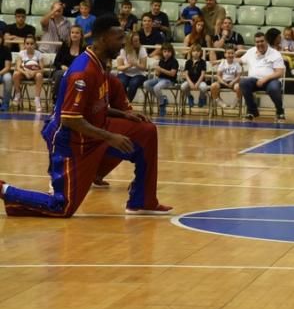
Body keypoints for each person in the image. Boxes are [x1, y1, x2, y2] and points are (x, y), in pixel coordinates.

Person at [0, 16, 172, 217]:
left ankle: (142, 201)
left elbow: (94, 108)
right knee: (62, 207)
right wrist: (110, 137)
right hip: (71, 142)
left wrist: (124, 114)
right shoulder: (82, 72)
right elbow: (70, 119)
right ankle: (5, 189)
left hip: (94, 131)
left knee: (146, 131)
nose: (122, 43)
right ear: (102, 39)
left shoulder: (99, 65)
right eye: (118, 38)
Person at [240, 31, 286, 121]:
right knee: (243, 83)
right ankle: (252, 111)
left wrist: (265, 79)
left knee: (274, 88)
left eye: (262, 41)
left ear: (266, 41)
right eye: (257, 42)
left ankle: (280, 111)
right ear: (255, 43)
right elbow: (240, 61)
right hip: (254, 80)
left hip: (271, 80)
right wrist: (225, 60)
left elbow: (280, 72)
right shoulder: (250, 51)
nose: (260, 43)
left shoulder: (275, 54)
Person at [11, 35, 45, 112]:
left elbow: (42, 69)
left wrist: (34, 72)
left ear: (35, 44)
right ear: (24, 44)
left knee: (39, 75)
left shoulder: (39, 54)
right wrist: (25, 72)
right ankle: (18, 94)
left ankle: (37, 99)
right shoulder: (21, 53)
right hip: (23, 72)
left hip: (35, 73)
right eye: (27, 43)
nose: (29, 46)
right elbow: (18, 67)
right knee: (16, 74)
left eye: (31, 44)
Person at [143, 43, 178, 116]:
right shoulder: (161, 61)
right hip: (160, 79)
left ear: (172, 52)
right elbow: (158, 74)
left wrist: (160, 69)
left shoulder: (174, 61)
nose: (167, 53)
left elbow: (172, 74)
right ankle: (162, 99)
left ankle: (162, 105)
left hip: (169, 80)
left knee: (156, 87)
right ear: (162, 52)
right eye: (165, 51)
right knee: (146, 84)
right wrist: (156, 70)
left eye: (168, 52)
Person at [116, 30, 148, 102]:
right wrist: (128, 65)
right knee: (121, 83)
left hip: (139, 73)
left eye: (138, 40)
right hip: (125, 72)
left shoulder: (142, 49)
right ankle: (123, 102)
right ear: (130, 42)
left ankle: (127, 102)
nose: (137, 42)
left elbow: (144, 68)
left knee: (133, 83)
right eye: (135, 41)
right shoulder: (123, 50)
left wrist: (136, 64)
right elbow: (119, 67)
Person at [180, 43, 209, 110]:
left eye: (198, 51)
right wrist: (190, 83)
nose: (196, 53)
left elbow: (202, 74)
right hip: (190, 81)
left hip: (200, 81)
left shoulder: (203, 62)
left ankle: (201, 98)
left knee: (204, 87)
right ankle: (190, 97)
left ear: (200, 52)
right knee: (183, 87)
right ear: (191, 52)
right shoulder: (188, 62)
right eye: (194, 51)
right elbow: (186, 74)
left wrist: (197, 83)